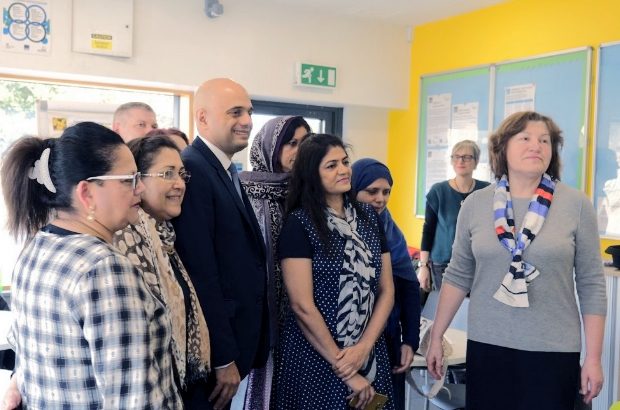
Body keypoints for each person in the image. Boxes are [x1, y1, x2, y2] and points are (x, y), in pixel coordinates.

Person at [425, 111, 607, 409]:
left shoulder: (576, 205)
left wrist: (594, 359)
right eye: (525, 138)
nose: (536, 146)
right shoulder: (475, 204)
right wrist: (436, 337)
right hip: (488, 346)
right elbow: (458, 275)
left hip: (553, 350)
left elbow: (592, 284)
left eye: (544, 140)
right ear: (502, 148)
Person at [1, 122, 183, 408]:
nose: (141, 188)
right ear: (86, 193)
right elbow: (134, 400)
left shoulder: (35, 249)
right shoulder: (104, 269)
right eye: (129, 179)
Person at [276, 134, 395, 409]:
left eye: (344, 161)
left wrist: (364, 348)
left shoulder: (368, 216)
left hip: (368, 352)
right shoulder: (300, 224)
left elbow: (387, 290)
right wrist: (346, 369)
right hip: (318, 357)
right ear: (311, 174)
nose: (343, 170)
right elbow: (302, 306)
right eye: (331, 166)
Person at [172, 78, 269, 410]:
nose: (247, 121)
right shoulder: (195, 169)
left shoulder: (225, 169)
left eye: (249, 112)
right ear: (203, 118)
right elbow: (201, 272)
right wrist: (222, 357)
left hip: (235, 340)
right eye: (235, 112)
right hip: (215, 351)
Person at [115, 135, 211, 397]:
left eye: (181, 174)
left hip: (180, 384)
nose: (179, 184)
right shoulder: (127, 240)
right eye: (167, 173)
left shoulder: (164, 236)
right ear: (137, 180)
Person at [238, 115, 311, 409]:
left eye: (305, 143)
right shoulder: (244, 194)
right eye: (291, 143)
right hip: (257, 325)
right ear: (270, 148)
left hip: (304, 325)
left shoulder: (310, 196)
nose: (299, 150)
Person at [352, 158, 421, 410]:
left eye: (386, 191)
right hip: (346, 345)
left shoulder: (392, 232)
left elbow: (409, 288)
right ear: (352, 189)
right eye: (371, 192)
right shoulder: (336, 230)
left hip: (388, 338)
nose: (380, 199)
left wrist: (410, 340)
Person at [418, 139, 489, 291]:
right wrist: (423, 266)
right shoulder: (438, 191)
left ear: (476, 162)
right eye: (456, 156)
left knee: (471, 311)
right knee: (446, 311)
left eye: (467, 157)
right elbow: (428, 230)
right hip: (443, 263)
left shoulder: (486, 191)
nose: (461, 160)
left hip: (477, 262)